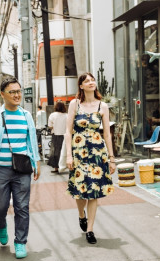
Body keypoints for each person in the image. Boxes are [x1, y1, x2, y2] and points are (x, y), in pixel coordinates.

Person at [0, 76, 40, 259]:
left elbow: (31, 140)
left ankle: (20, 242)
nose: (17, 95)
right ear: (3, 94)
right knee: (0, 206)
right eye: (12, 92)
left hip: (22, 169)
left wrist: (36, 163)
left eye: (18, 91)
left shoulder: (26, 115)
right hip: (0, 169)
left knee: (22, 206)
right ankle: (1, 225)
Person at [65, 72, 115, 244]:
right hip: (78, 151)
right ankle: (81, 215)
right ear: (81, 86)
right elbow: (67, 131)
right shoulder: (74, 104)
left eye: (92, 80)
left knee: (93, 191)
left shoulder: (103, 106)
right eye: (86, 81)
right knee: (80, 192)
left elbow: (107, 135)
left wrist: (111, 158)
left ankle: (90, 229)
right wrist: (68, 156)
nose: (91, 82)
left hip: (97, 152)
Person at [47, 101, 67, 173]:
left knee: (55, 152)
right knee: (65, 151)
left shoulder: (52, 115)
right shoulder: (67, 115)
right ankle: (64, 166)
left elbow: (50, 126)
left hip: (56, 135)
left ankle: (56, 168)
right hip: (65, 136)